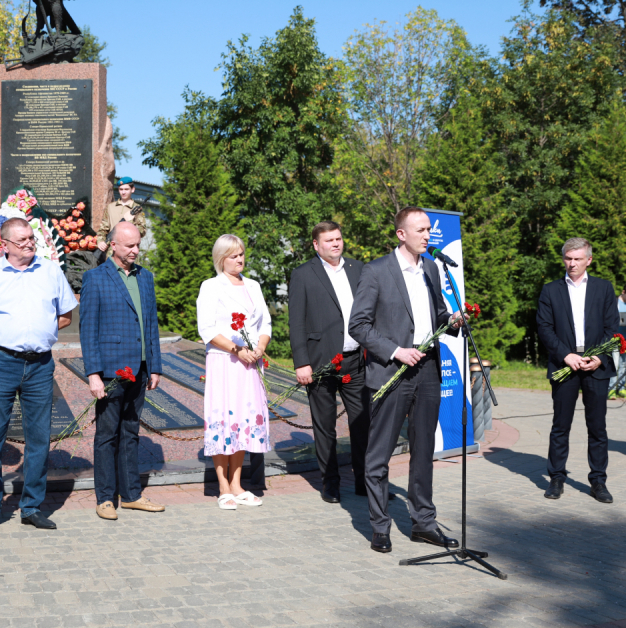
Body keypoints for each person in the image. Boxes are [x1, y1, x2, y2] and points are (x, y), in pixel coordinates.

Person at [349, 207, 462, 554]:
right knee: (378, 455)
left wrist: (453, 319)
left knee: (424, 449)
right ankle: (380, 527)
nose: (428, 235)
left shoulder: (430, 267)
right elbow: (359, 325)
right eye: (420, 230)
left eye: (429, 229)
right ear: (401, 234)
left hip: (427, 368)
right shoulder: (377, 271)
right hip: (392, 371)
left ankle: (424, 524)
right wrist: (396, 351)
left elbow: (437, 315)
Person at [0, 217, 78, 534]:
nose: (30, 243)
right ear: (6, 244)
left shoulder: (51, 271)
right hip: (1, 362)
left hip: (40, 364)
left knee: (39, 438)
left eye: (32, 238)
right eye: (23, 239)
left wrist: (39, 330)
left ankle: (31, 507)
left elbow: (66, 314)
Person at [80, 222, 166, 520]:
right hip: (111, 370)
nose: (135, 250)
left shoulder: (145, 277)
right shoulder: (95, 278)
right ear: (113, 245)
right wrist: (93, 373)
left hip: (140, 370)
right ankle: (105, 497)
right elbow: (88, 329)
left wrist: (154, 366)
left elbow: (151, 324)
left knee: (131, 432)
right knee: (107, 434)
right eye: (129, 245)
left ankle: (131, 495)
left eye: (138, 245)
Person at [288, 221, 368, 504]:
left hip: (356, 360)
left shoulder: (358, 269)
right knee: (325, 426)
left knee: (362, 422)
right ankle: (330, 483)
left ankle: (364, 482)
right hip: (320, 361)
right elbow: (296, 321)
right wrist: (301, 362)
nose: (336, 243)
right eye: (329, 240)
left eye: (338, 238)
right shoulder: (303, 275)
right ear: (316, 245)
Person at [536, 237, 619, 504]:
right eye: (568, 259)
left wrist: (600, 357)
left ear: (588, 261)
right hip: (565, 365)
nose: (572, 264)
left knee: (597, 427)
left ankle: (598, 481)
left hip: (596, 366)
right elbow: (544, 329)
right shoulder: (551, 290)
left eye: (577, 259)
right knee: (560, 425)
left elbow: (612, 328)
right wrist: (566, 355)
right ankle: (557, 478)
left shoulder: (604, 289)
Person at [196, 234, 272, 510]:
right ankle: (223, 485)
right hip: (224, 360)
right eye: (233, 255)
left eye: (241, 254)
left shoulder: (253, 285)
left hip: (250, 363)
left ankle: (238, 482)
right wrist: (236, 349)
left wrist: (259, 346)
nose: (239, 259)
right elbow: (206, 328)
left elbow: (265, 323)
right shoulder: (211, 286)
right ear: (221, 258)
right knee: (223, 416)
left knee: (243, 418)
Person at [96, 176, 147, 255]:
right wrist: (100, 241)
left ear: (132, 189)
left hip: (129, 252)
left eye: (126, 189)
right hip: (111, 252)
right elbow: (103, 229)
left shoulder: (137, 209)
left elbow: (142, 232)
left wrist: (130, 223)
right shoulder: (110, 207)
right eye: (121, 189)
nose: (123, 192)